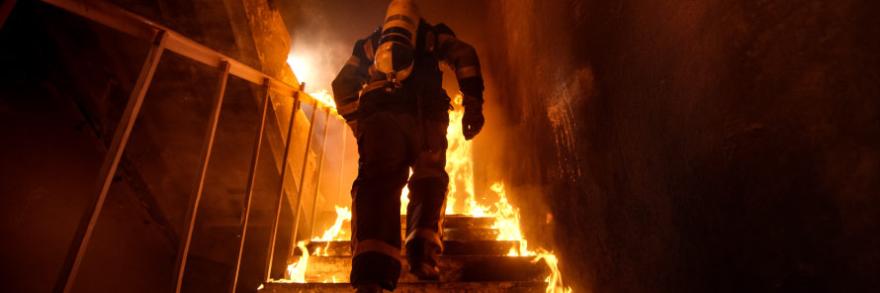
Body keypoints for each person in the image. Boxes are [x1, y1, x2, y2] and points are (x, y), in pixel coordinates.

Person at [331, 0, 485, 291]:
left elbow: (342, 85)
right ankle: (423, 256)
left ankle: (371, 277)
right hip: (427, 120)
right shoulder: (432, 36)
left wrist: (358, 124)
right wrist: (474, 103)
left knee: (377, 189)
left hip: (380, 123)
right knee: (429, 182)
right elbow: (465, 54)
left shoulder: (371, 43)